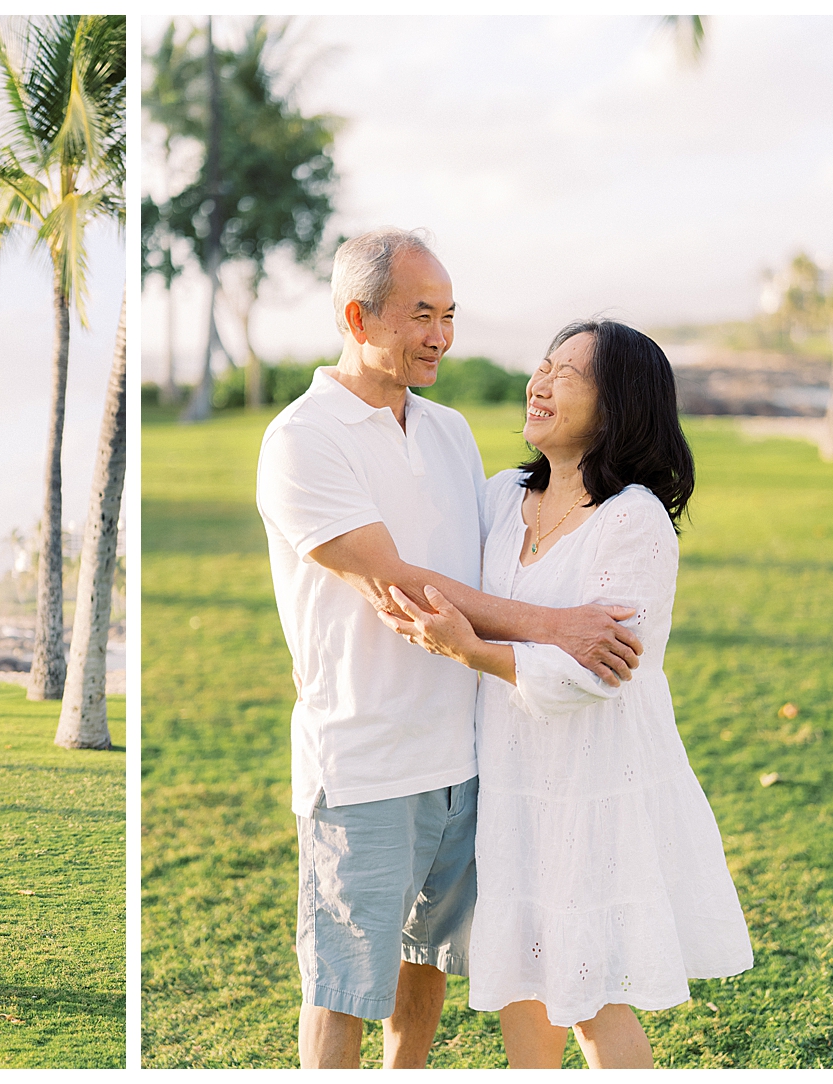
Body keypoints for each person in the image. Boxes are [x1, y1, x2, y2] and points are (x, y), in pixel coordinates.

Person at [256, 228, 645, 1068]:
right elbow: (400, 584)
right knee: (341, 987)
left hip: (467, 761)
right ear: (358, 316)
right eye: (420, 315)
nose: (440, 336)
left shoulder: (450, 433)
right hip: (363, 762)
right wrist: (559, 626)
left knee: (421, 967)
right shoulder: (303, 439)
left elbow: (491, 561)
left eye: (450, 315)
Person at [379, 320, 753, 1068]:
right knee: (522, 979)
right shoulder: (500, 497)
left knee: (588, 1000)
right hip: (510, 787)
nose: (540, 383)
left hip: (590, 789)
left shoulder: (635, 520)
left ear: (616, 407)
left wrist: (473, 650)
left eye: (568, 374)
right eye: (541, 366)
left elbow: (601, 673)